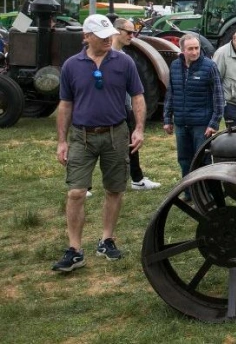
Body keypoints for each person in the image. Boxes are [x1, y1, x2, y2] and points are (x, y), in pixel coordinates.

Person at [53, 14, 145, 272]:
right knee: (76, 192)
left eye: (109, 36)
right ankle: (74, 250)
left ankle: (107, 239)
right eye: (102, 37)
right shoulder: (72, 65)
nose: (108, 40)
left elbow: (137, 96)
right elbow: (65, 104)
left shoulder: (124, 62)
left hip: (116, 134)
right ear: (87, 37)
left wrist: (138, 129)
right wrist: (62, 141)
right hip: (81, 136)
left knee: (114, 189)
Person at [163, 34, 223, 178]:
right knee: (184, 160)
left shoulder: (209, 66)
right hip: (181, 124)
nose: (195, 52)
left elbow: (219, 97)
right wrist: (167, 119)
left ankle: (205, 193)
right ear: (182, 49)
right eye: (190, 49)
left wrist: (214, 123)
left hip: (201, 125)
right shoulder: (175, 66)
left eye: (197, 48)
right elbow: (171, 93)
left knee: (203, 160)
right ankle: (189, 192)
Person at [112, 18, 161, 190]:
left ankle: (137, 179)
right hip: (108, 108)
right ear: (117, 31)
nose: (132, 36)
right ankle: (85, 186)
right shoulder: (104, 55)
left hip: (125, 107)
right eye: (129, 32)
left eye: (133, 32)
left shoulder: (125, 56)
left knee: (131, 143)